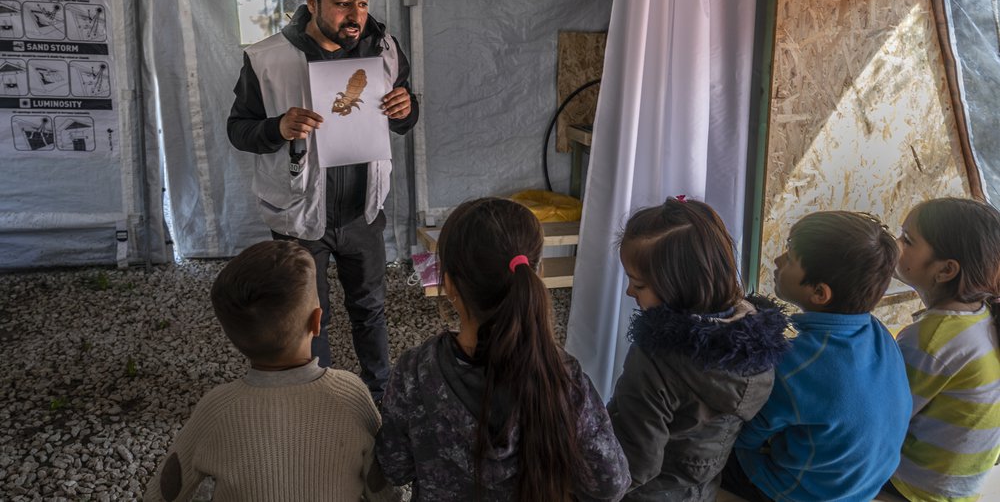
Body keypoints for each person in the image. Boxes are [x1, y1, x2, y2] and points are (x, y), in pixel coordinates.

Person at [227, 0, 418, 402]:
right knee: (312, 315)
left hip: (363, 212)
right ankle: (321, 401)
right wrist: (277, 127)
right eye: (342, 2)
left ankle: (380, 396)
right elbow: (239, 129)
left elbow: (405, 118)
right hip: (299, 217)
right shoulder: (267, 58)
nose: (355, 15)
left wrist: (405, 109)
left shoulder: (386, 49)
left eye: (362, 2)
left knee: (370, 309)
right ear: (311, 2)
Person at [375, 197, 631, 501]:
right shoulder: (562, 376)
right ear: (538, 271)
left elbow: (394, 467)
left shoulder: (415, 372)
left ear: (450, 285)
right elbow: (610, 483)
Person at [144, 240, 399, 502]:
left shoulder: (216, 408)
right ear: (316, 321)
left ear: (231, 336)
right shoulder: (351, 393)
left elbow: (162, 493)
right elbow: (381, 488)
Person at [606, 196, 789, 501]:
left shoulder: (656, 359)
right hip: (700, 490)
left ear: (678, 287)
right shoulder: (757, 351)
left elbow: (635, 464)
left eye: (638, 285)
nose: (629, 292)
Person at [722, 211, 912, 502]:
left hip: (806, 494)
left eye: (791, 258)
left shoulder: (800, 363)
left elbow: (747, 432)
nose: (778, 260)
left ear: (820, 293)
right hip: (865, 488)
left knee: (714, 449)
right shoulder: (878, 332)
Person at [883, 198, 1000, 502]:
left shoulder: (931, 339)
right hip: (960, 490)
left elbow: (881, 419)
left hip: (912, 489)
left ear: (946, 270)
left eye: (907, 240)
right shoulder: (984, 316)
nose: (895, 245)